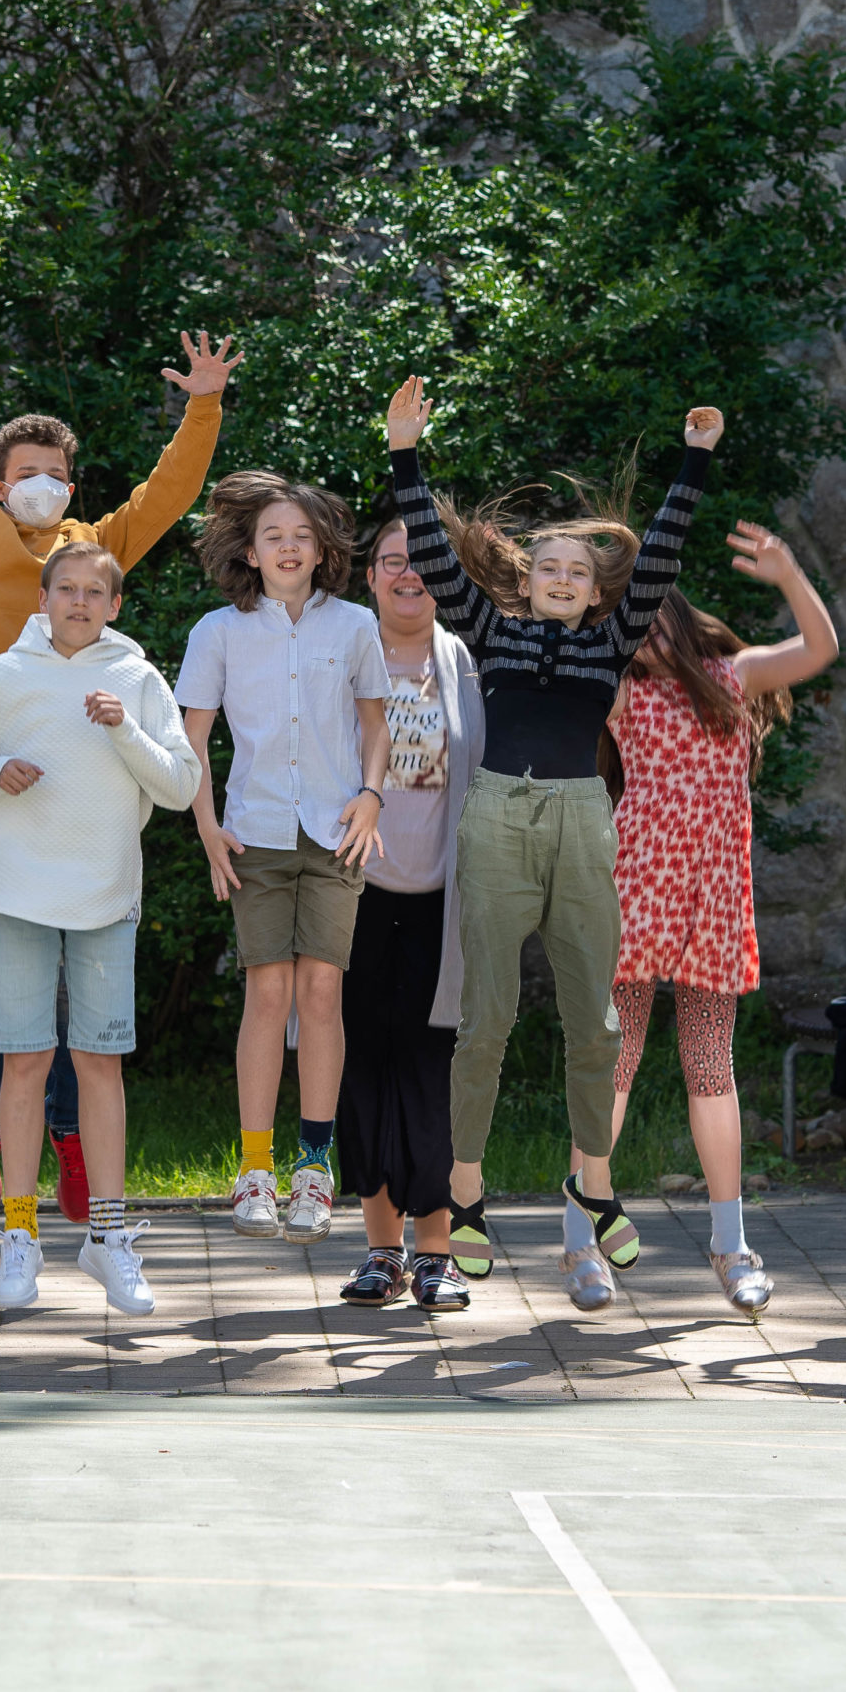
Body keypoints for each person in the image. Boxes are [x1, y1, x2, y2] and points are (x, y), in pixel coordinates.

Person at [0, 250, 240, 1228]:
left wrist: (202, 405)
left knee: (81, 986)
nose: (41, 485)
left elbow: (166, 493)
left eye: (55, 475)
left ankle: (74, 1140)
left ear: (73, 486)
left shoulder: (91, 553)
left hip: (87, 791)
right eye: (24, 474)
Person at [386, 375, 717, 1312]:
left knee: (596, 1022)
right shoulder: (489, 628)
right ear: (526, 580)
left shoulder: (612, 641)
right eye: (548, 566)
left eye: (578, 569)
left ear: (596, 590)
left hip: (580, 817)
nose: (563, 577)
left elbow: (661, 554)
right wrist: (404, 450)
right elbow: (435, 556)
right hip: (496, 817)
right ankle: (465, 1189)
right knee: (484, 1018)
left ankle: (595, 1183)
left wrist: (693, 461)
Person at [0, 543, 200, 1314]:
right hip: (18, 896)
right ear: (43, 598)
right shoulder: (3, 675)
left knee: (100, 1065)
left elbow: (181, 785)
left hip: (105, 898)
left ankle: (107, 1238)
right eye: (66, 589)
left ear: (114, 606)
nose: (79, 601)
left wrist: (124, 728)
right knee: (23, 1063)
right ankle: (21, 1235)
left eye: (94, 592)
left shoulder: (138, 679)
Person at [603, 525, 839, 1316]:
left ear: (674, 611)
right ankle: (580, 1234)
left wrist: (789, 570)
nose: (640, 630)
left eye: (648, 612)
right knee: (611, 1060)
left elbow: (820, 647)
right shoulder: (618, 689)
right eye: (624, 619)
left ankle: (731, 1243)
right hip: (637, 889)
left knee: (711, 1064)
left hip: (711, 891)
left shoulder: (731, 676)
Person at [177, 473, 389, 1245]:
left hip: (336, 832)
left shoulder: (355, 625)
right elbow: (192, 740)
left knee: (323, 992)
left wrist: (372, 794)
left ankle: (315, 1168)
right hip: (255, 833)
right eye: (274, 535)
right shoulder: (218, 632)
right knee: (268, 992)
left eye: (302, 535)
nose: (289, 546)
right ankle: (255, 1171)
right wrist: (207, 827)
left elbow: (377, 725)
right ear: (251, 551)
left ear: (323, 548)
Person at [335, 515, 483, 1313]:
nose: (408, 574)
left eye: (423, 561)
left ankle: (436, 1255)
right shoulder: (339, 658)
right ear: (370, 577)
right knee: (362, 1068)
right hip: (353, 894)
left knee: (433, 1074)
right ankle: (380, 1252)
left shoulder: (467, 664)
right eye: (393, 561)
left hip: (442, 902)